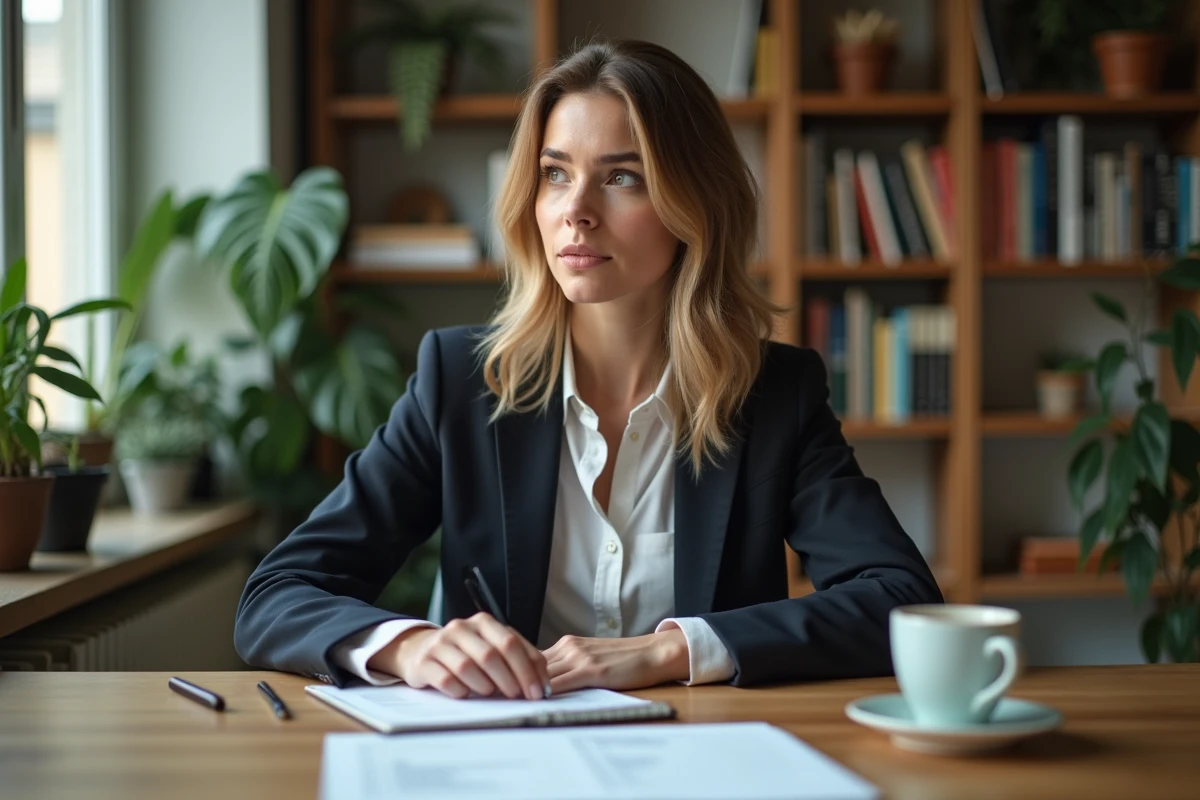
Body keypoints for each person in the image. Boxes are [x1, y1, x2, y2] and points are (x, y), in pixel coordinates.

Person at [233, 39, 942, 700]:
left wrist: (671, 651)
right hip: (500, 760)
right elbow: (277, 594)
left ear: (694, 204)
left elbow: (900, 597)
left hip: (701, 757)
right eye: (554, 174)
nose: (576, 211)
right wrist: (410, 645)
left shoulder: (773, 394)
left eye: (623, 177)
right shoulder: (459, 381)